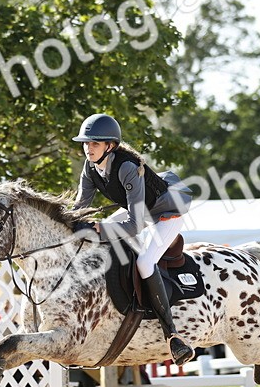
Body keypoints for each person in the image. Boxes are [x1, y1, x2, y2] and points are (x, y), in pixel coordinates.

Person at [71, 113, 196, 365]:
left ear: (110, 146)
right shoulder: (90, 167)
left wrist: (100, 229)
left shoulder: (127, 167)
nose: (88, 148)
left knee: (145, 263)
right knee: (97, 235)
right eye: (86, 143)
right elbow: (79, 209)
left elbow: (134, 226)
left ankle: (172, 335)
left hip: (166, 213)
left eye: (95, 143)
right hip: (139, 211)